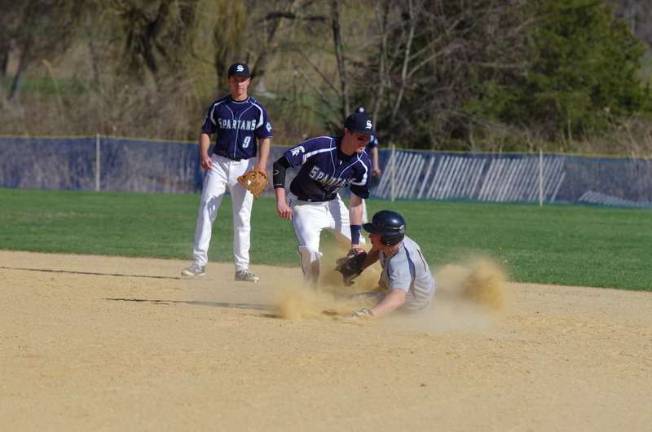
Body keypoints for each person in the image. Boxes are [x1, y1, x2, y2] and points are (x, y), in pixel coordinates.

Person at [181, 62, 272, 282]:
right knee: (206, 210)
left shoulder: (257, 110)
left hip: (245, 167)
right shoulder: (218, 106)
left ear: (248, 81)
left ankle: (242, 268)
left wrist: (261, 165)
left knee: (242, 217)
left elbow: (265, 138)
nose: (239, 83)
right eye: (235, 79)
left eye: (242, 79)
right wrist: (204, 154)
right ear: (229, 81)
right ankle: (199, 263)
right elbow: (205, 132)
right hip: (218, 164)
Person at [272, 110, 374, 284]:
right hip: (303, 205)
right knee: (310, 251)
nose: (365, 142)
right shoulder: (321, 146)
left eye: (368, 138)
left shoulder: (362, 164)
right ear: (347, 132)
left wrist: (355, 243)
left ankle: (348, 281)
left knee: (361, 248)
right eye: (360, 137)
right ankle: (312, 296)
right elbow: (281, 164)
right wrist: (281, 201)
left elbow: (356, 204)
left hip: (333, 203)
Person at [349, 210, 436, 319]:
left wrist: (369, 315)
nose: (370, 236)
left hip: (411, 309)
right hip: (402, 295)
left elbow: (398, 297)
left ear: (387, 239)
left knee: (348, 303)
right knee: (349, 301)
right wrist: (358, 268)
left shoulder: (401, 263)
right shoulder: (391, 243)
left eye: (374, 233)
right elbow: (376, 251)